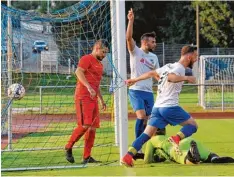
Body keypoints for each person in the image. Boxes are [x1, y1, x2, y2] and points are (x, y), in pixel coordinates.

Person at [122, 45, 199, 167]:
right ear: (189, 56)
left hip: (157, 108)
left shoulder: (168, 66)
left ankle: (128, 156)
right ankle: (176, 138)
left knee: (146, 135)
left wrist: (134, 80)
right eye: (195, 56)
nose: (196, 59)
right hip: (169, 107)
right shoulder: (179, 68)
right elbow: (170, 78)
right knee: (193, 125)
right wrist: (187, 78)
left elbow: (152, 73)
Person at [65, 40, 108, 164]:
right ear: (96, 48)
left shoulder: (100, 65)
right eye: (103, 51)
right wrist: (88, 87)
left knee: (93, 128)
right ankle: (68, 146)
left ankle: (86, 156)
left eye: (106, 52)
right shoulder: (86, 58)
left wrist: (101, 99)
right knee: (85, 125)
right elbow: (78, 72)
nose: (104, 55)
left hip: (93, 99)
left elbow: (97, 84)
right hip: (83, 96)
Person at [126, 8, 160, 149]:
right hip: (136, 90)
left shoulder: (154, 57)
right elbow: (128, 38)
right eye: (153, 42)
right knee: (141, 116)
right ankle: (136, 147)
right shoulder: (136, 52)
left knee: (152, 121)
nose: (155, 44)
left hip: (148, 93)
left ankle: (152, 147)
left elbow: (158, 76)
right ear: (145, 42)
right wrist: (131, 21)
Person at [142, 135, 234, 164]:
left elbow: (147, 160)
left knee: (187, 159)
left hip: (174, 148)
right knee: (208, 154)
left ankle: (191, 155)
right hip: (187, 140)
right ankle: (214, 158)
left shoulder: (152, 141)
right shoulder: (167, 137)